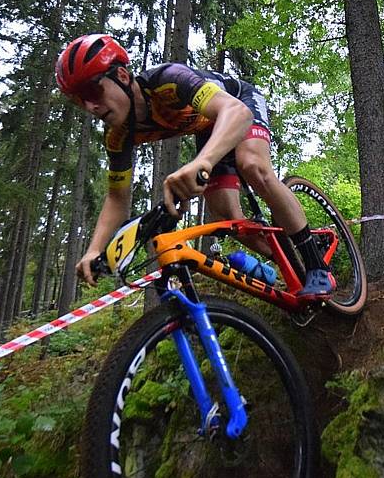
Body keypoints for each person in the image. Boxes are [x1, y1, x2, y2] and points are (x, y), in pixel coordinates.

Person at [55, 33, 334, 298]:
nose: (90, 106)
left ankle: (317, 265)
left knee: (253, 166)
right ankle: (290, 260)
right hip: (209, 128)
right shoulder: (118, 136)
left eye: (94, 90)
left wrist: (202, 162)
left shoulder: (168, 81)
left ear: (122, 75)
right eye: (80, 100)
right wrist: (93, 250)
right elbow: (117, 197)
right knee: (227, 218)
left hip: (237, 103)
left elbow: (236, 112)